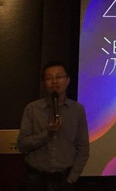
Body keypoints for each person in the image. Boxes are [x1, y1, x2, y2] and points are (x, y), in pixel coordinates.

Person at [17, 61, 89, 191]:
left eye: (59, 77)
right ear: (44, 83)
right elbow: (22, 145)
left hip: (64, 179)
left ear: (67, 80)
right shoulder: (32, 109)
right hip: (36, 179)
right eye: (49, 78)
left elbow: (83, 148)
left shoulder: (77, 110)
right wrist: (47, 133)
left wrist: (71, 179)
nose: (54, 81)